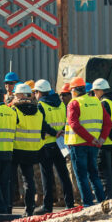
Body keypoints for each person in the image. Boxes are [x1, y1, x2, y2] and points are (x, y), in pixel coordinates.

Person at [65, 77, 109, 206]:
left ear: (74, 90)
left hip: (79, 145)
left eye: (70, 91)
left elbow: (74, 124)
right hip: (94, 145)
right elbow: (108, 123)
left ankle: (88, 204)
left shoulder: (74, 103)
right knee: (94, 175)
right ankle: (102, 203)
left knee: (82, 176)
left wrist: (90, 139)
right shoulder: (97, 102)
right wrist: (100, 140)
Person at [12, 83, 52, 217]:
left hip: (17, 150)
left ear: (21, 95)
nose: (15, 97)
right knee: (29, 181)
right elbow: (43, 129)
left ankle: (7, 208)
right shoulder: (38, 111)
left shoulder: (14, 111)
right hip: (33, 151)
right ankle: (29, 210)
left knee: (10, 180)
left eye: (16, 95)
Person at [36, 80, 76, 210]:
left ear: (40, 92)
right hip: (60, 144)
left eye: (36, 91)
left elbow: (41, 124)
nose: (35, 94)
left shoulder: (41, 105)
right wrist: (61, 132)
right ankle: (69, 203)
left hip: (47, 144)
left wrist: (53, 132)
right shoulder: (61, 104)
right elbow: (67, 120)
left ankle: (47, 206)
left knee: (47, 176)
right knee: (63, 174)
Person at [93, 78, 112, 199]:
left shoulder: (104, 103)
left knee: (105, 175)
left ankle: (108, 200)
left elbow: (107, 125)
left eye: (95, 92)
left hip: (105, 143)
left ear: (100, 91)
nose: (95, 94)